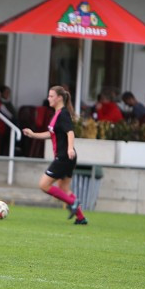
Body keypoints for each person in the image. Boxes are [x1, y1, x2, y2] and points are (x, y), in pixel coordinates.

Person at [22, 85, 87, 225]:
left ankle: (73, 202)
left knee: (43, 185)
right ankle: (81, 218)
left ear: (59, 98)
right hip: (67, 158)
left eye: (51, 96)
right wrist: (33, 134)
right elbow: (51, 134)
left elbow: (70, 132)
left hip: (64, 157)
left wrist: (70, 148)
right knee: (64, 188)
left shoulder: (63, 114)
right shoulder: (57, 114)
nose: (48, 99)